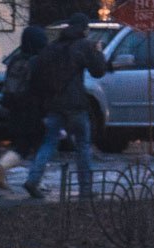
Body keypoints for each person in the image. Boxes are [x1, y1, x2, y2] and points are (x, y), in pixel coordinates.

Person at [22, 12, 108, 199]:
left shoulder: (52, 47)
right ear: (84, 29)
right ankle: (85, 188)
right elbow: (98, 72)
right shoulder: (84, 46)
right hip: (76, 105)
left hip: (54, 104)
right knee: (83, 145)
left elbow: (37, 74)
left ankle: (33, 180)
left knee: (49, 142)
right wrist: (98, 51)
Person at [0, 25, 48, 191]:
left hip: (15, 109)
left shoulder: (15, 60)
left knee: (21, 145)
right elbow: (42, 88)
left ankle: (2, 165)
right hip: (34, 110)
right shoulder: (38, 61)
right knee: (39, 146)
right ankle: (36, 180)